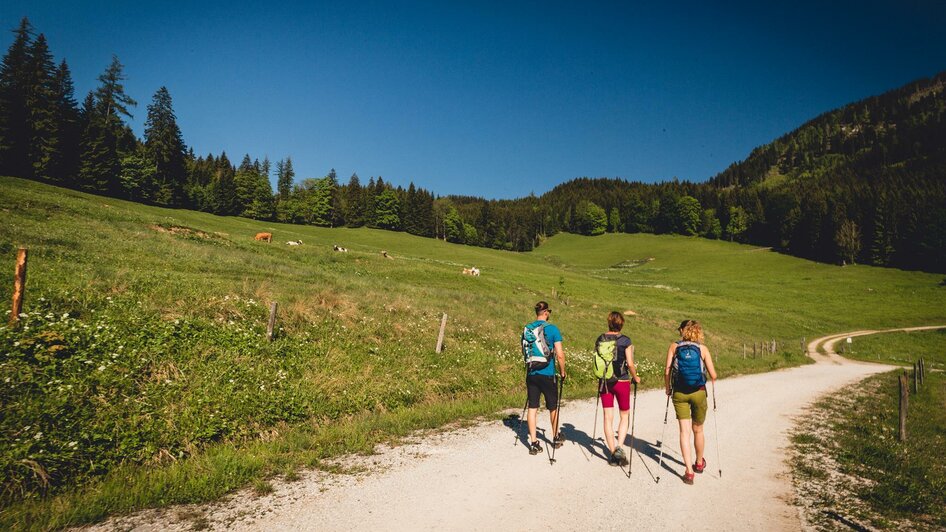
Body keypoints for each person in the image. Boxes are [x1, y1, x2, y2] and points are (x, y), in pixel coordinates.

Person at [664, 319, 717, 484]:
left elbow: (667, 371)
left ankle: (688, 472)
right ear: (698, 332)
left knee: (684, 432)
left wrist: (668, 388)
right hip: (699, 392)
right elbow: (713, 375)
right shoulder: (703, 349)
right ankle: (699, 463)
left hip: (679, 392)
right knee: (698, 430)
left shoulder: (674, 346)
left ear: (682, 331)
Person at [597, 311, 641, 466]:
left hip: (605, 381)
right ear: (621, 324)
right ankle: (620, 448)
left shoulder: (601, 338)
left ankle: (612, 453)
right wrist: (635, 377)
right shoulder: (625, 340)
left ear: (609, 323)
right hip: (621, 381)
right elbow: (629, 363)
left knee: (607, 417)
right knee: (624, 415)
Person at [523, 301, 566, 455]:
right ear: (546, 312)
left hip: (532, 373)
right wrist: (562, 371)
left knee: (532, 408)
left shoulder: (528, 328)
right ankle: (555, 437)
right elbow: (560, 355)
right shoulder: (553, 329)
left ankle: (533, 443)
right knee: (553, 407)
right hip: (548, 374)